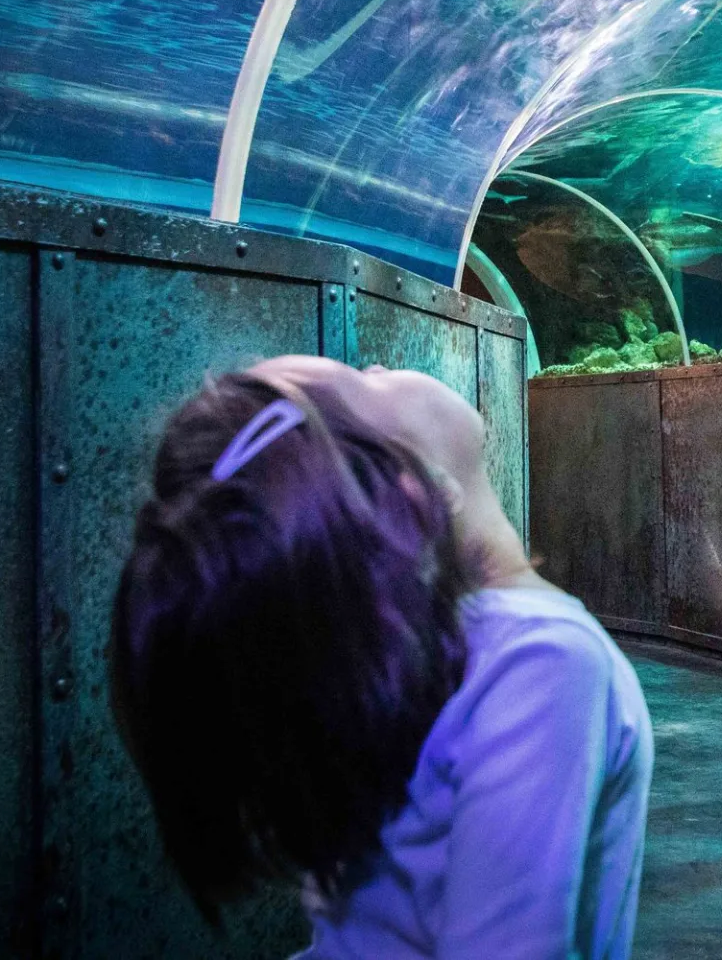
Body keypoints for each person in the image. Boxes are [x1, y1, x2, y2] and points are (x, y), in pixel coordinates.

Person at [108, 355, 653, 959]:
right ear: (419, 491)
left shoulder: (392, 656)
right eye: (365, 384)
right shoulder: (539, 664)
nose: (377, 362)